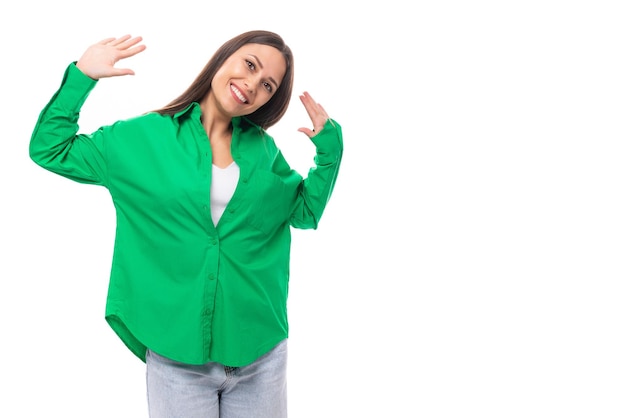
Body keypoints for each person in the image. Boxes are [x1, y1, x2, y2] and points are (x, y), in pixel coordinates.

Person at [29, 30, 343, 417]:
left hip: (260, 353)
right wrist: (82, 76)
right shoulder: (143, 138)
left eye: (266, 85)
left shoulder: (263, 151)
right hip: (177, 357)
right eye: (249, 65)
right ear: (224, 57)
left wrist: (330, 153)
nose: (251, 85)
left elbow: (304, 212)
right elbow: (50, 147)